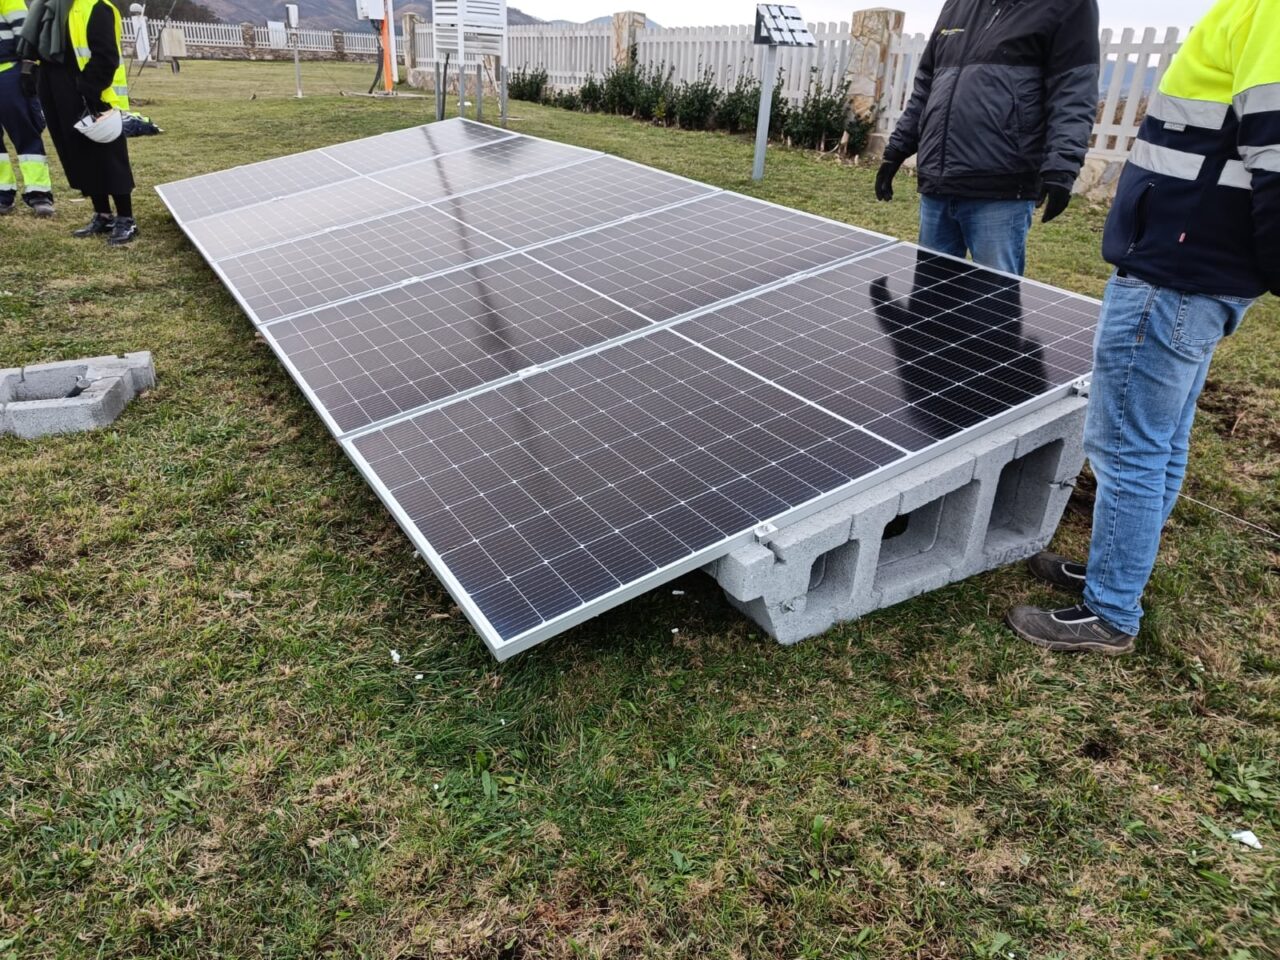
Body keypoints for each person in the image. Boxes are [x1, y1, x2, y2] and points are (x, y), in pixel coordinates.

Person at [1006, 0, 1279, 654]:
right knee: (1161, 437)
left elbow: (1275, 152)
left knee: (1127, 444)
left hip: (1178, 270)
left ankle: (1110, 612)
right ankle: (1115, 575)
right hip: (1194, 265)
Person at [873, 0, 1100, 276]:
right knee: (930, 301)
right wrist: (896, 151)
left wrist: (1062, 168)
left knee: (994, 304)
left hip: (1001, 187)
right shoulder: (957, 4)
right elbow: (926, 88)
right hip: (937, 184)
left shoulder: (1068, 5)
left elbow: (1073, 92)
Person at [18, 0, 137, 244]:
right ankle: (103, 214)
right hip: (55, 89)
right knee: (78, 154)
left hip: (90, 92)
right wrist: (31, 73)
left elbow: (106, 56)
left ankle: (126, 218)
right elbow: (38, 47)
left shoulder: (96, 7)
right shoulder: (45, 7)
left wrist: (87, 89)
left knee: (107, 155)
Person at [0, 0, 53, 217]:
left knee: (25, 131)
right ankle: (3, 192)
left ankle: (39, 193)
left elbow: (25, 30)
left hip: (8, 70)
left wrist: (28, 67)